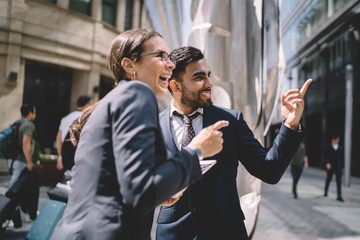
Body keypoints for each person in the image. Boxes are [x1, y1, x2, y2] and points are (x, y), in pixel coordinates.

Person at [51, 29, 228, 240]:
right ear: (129, 65)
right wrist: (196, 150)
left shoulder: (111, 102)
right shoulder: (137, 94)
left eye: (169, 57)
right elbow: (141, 190)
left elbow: (123, 186)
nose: (170, 64)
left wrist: (161, 194)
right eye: (160, 56)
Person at [156, 46, 311, 240]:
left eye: (208, 75)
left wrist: (290, 124)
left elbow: (269, 170)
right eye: (198, 77)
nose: (209, 84)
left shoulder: (231, 121)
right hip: (174, 234)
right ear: (175, 86)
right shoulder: (153, 126)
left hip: (225, 232)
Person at [56, 95, 91, 171]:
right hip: (76, 156)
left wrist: (60, 156)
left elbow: (58, 138)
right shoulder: (84, 118)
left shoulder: (65, 118)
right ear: (87, 105)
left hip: (65, 155)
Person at [8, 104, 37, 188]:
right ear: (30, 113)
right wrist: (29, 162)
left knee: (18, 186)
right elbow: (26, 142)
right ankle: (8, 201)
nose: (35, 114)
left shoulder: (17, 123)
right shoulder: (29, 125)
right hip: (21, 160)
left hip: (12, 159)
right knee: (14, 187)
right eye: (34, 112)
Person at [324, 134, 344, 202]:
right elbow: (326, 156)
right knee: (329, 179)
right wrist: (327, 163)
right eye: (335, 140)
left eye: (338, 139)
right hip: (330, 166)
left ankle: (339, 195)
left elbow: (342, 158)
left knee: (339, 181)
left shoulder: (340, 147)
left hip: (338, 166)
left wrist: (342, 167)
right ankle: (326, 192)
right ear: (332, 140)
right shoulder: (328, 147)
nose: (337, 141)